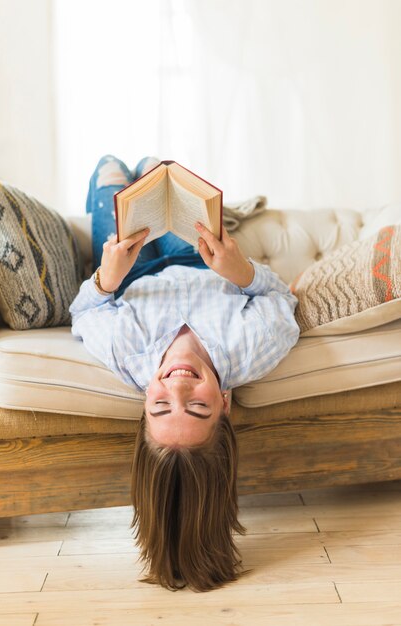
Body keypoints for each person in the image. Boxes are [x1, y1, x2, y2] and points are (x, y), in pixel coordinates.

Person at [69, 155, 300, 592]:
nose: (177, 384)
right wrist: (242, 272)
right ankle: (148, 167)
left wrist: (105, 278)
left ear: (143, 405)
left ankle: (129, 171)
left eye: (160, 404)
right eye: (196, 405)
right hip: (201, 262)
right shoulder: (250, 348)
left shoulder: (125, 352)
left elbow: (83, 312)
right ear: (225, 403)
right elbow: (283, 302)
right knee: (160, 172)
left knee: (108, 171)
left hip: (132, 273)